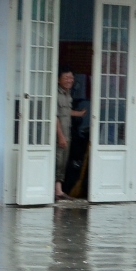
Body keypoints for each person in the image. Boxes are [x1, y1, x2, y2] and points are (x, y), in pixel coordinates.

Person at [55, 69, 86, 200]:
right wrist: (60, 136)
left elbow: (66, 112)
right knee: (56, 162)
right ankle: (53, 191)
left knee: (62, 162)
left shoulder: (67, 94)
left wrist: (79, 114)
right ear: (58, 79)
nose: (70, 80)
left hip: (67, 133)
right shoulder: (55, 94)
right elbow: (54, 116)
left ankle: (58, 191)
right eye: (66, 77)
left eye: (71, 78)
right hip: (58, 134)